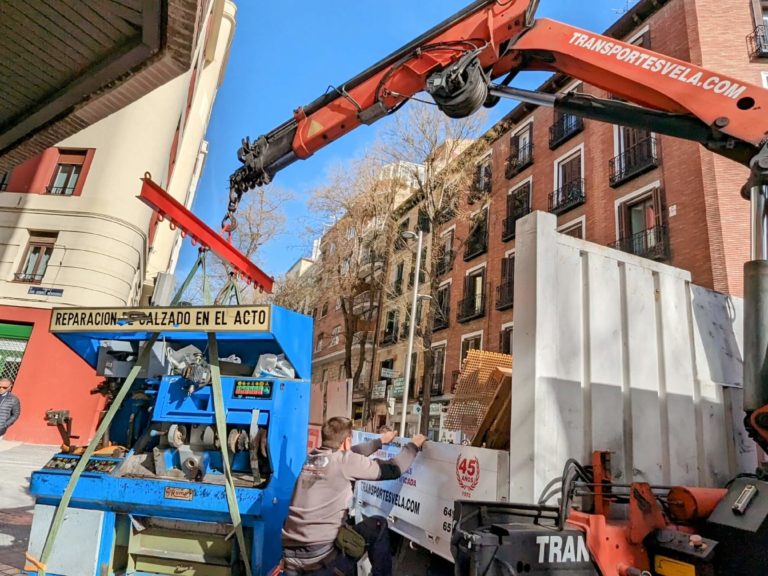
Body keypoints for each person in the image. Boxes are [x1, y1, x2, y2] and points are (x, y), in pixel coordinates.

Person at [281, 417, 427, 576]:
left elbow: (351, 452)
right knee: (378, 525)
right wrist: (413, 445)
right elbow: (394, 469)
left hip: (290, 555)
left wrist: (379, 441)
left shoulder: (312, 459)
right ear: (346, 441)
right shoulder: (345, 462)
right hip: (322, 557)